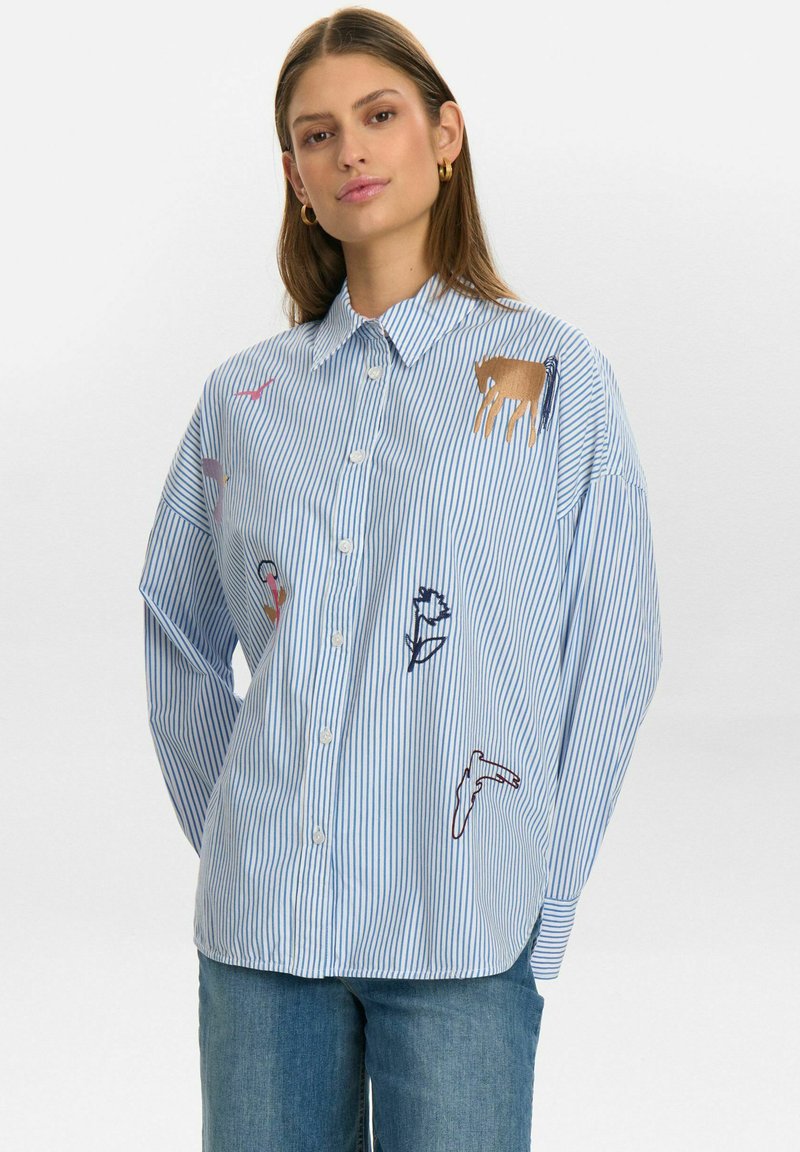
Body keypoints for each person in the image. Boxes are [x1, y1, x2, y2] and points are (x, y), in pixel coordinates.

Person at [138, 7, 663, 1150]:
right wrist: (245, 830)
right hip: (264, 939)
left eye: (378, 116)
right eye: (315, 135)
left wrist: (543, 891)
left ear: (445, 134)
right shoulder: (246, 399)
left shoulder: (551, 374)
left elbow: (613, 647)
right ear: (295, 177)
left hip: (462, 926)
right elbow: (175, 627)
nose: (350, 152)